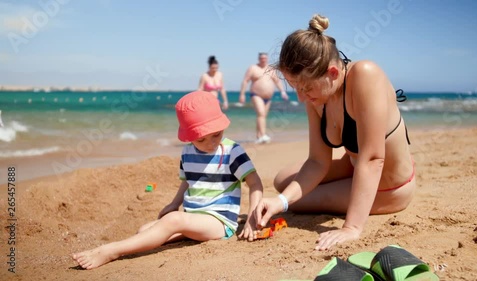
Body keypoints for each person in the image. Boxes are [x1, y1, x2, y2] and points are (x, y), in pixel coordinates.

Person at [254, 14, 415, 251]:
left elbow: (372, 159)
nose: (301, 97)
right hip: (354, 166)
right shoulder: (316, 96)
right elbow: (318, 161)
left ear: (332, 72)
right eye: (295, 88)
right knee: (282, 182)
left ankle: (352, 201)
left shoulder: (365, 75)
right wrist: (280, 202)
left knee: (300, 202)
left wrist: (351, 228)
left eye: (306, 87)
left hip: (390, 186)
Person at [72, 91, 264, 269]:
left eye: (216, 135)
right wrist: (174, 203)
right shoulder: (188, 152)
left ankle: (112, 250)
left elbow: (255, 183)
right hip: (194, 217)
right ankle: (138, 241)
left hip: (219, 223)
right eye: (200, 139)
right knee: (145, 229)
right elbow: (188, 181)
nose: (210, 143)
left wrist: (252, 219)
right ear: (189, 136)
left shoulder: (232, 151)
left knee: (172, 221)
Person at [239, 52, 289, 144]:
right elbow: (245, 81)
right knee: (261, 114)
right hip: (256, 95)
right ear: (259, 59)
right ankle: (263, 135)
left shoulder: (271, 69)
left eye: (265, 58)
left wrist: (282, 91)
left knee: (262, 116)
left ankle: (258, 136)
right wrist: (242, 94)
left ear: (267, 59)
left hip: (268, 98)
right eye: (261, 58)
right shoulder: (253, 68)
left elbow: (277, 81)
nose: (263, 60)